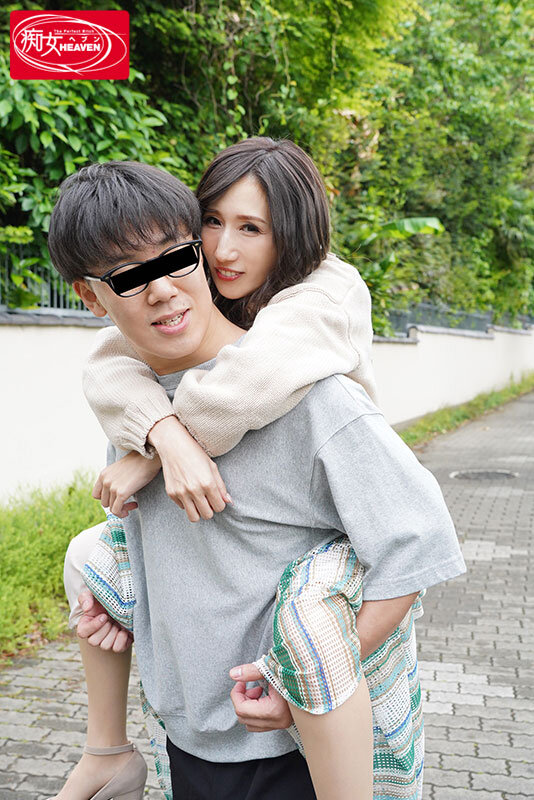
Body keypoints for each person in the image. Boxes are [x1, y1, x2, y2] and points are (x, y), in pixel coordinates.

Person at [47, 149, 465, 800]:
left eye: (174, 259)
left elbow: (417, 547)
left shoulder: (315, 393)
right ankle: (106, 754)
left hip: (293, 750)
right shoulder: (139, 406)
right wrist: (118, 603)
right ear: (90, 297)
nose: (164, 287)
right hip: (184, 737)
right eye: (129, 276)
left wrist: (305, 686)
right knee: (89, 550)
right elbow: (156, 545)